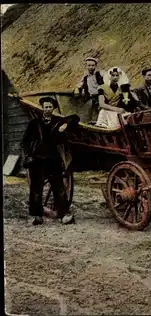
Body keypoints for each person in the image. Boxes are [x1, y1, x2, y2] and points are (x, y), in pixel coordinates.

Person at [21, 97, 80, 225]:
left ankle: (63, 215)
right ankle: (37, 216)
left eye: (50, 107)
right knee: (36, 189)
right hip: (37, 160)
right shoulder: (34, 123)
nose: (47, 109)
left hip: (53, 160)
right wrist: (30, 153)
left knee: (59, 188)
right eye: (45, 107)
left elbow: (75, 118)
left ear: (53, 108)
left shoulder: (58, 121)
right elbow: (25, 141)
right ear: (42, 108)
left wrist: (66, 125)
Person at [74, 57, 104, 122]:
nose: (91, 67)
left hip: (99, 96)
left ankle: (101, 122)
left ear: (95, 66)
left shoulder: (98, 75)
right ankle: (89, 122)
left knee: (101, 112)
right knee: (88, 111)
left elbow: (103, 84)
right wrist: (77, 88)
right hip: (90, 97)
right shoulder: (85, 76)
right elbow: (80, 84)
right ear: (86, 66)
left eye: (93, 65)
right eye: (89, 65)